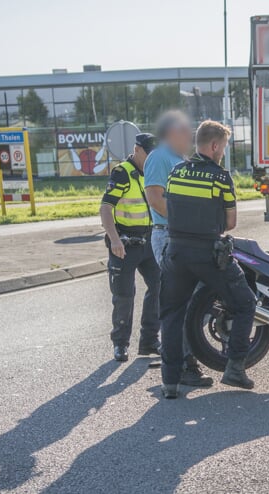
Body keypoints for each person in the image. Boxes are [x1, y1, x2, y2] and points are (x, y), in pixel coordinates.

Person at [158, 120, 257, 399]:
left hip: (174, 252)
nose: (223, 152)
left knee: (172, 315)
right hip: (208, 254)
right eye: (223, 147)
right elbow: (231, 222)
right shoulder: (220, 177)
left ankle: (170, 383)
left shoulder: (176, 172)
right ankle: (235, 368)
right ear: (214, 146)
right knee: (245, 303)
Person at [144, 110, 213, 387]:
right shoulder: (160, 157)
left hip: (181, 235)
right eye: (186, 131)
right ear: (172, 133)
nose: (191, 136)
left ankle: (178, 355)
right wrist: (186, 223)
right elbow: (155, 198)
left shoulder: (179, 159)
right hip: (169, 235)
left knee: (191, 299)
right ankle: (184, 363)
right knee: (185, 300)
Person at [99, 133, 161, 362]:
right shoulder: (122, 172)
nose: (152, 158)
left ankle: (149, 341)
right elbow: (106, 207)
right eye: (148, 153)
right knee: (124, 295)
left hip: (150, 241)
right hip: (124, 244)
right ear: (137, 150)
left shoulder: (154, 171)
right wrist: (114, 239)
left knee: (160, 287)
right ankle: (120, 344)